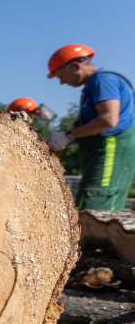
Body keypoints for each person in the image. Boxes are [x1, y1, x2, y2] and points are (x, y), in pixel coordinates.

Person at [46, 44, 135, 211]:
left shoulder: (103, 81)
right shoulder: (95, 84)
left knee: (93, 211)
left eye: (61, 76)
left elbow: (108, 120)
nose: (61, 82)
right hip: (103, 152)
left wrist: (69, 136)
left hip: (110, 150)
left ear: (75, 66)